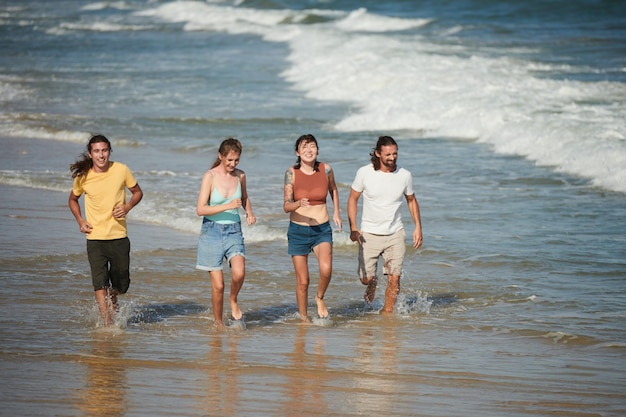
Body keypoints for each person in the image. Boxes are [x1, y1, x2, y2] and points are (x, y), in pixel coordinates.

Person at [69, 134, 143, 326]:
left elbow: (137, 192)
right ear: (90, 154)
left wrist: (127, 207)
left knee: (122, 285)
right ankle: (108, 322)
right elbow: (73, 199)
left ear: (109, 151)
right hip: (95, 237)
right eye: (96, 151)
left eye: (104, 150)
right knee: (99, 282)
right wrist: (80, 220)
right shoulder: (83, 176)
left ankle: (113, 295)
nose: (101, 155)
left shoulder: (121, 170)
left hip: (119, 236)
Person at [347, 135, 423, 313]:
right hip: (369, 235)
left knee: (394, 279)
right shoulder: (364, 173)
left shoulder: (405, 175)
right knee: (365, 279)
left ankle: (387, 314)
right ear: (378, 154)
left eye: (395, 154)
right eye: (388, 154)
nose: (392, 158)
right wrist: (353, 227)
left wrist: (418, 226)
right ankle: (372, 282)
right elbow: (352, 199)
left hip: (395, 233)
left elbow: (411, 200)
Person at [196, 138, 256, 329]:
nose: (233, 164)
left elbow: (245, 198)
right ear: (220, 156)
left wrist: (250, 212)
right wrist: (227, 205)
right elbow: (200, 209)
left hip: (234, 231)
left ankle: (233, 299)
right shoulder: (210, 176)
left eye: (236, 160)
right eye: (229, 160)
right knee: (218, 285)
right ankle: (219, 323)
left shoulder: (240, 176)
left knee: (239, 273)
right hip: (211, 232)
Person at [283, 134, 342, 322]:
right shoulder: (291, 173)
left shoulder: (326, 170)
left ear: (317, 150)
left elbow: (333, 189)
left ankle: (319, 298)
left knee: (326, 269)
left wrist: (336, 213)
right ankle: (303, 318)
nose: (309, 150)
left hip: (321, 230)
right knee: (303, 281)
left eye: (313, 146)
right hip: (298, 231)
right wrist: (297, 203)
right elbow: (286, 206)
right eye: (304, 147)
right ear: (297, 152)